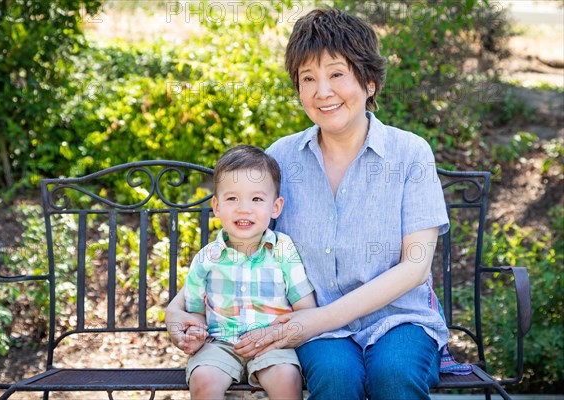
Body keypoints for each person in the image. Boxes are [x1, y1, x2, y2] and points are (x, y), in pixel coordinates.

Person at [167, 8, 469, 400]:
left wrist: (309, 323)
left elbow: (415, 266)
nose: (322, 91)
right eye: (308, 78)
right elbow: (241, 249)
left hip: (399, 320)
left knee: (393, 375)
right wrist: (177, 311)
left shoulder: (409, 153)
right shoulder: (282, 159)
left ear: (370, 81)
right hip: (317, 329)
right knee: (335, 378)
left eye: (337, 74)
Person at [168, 145, 317, 400]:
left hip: (272, 343)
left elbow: (306, 308)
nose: (244, 208)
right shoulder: (206, 258)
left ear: (275, 207)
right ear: (216, 206)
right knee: (203, 378)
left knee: (286, 378)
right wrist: (195, 332)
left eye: (257, 199)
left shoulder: (283, 250)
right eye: (232, 198)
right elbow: (195, 312)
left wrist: (281, 334)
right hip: (221, 343)